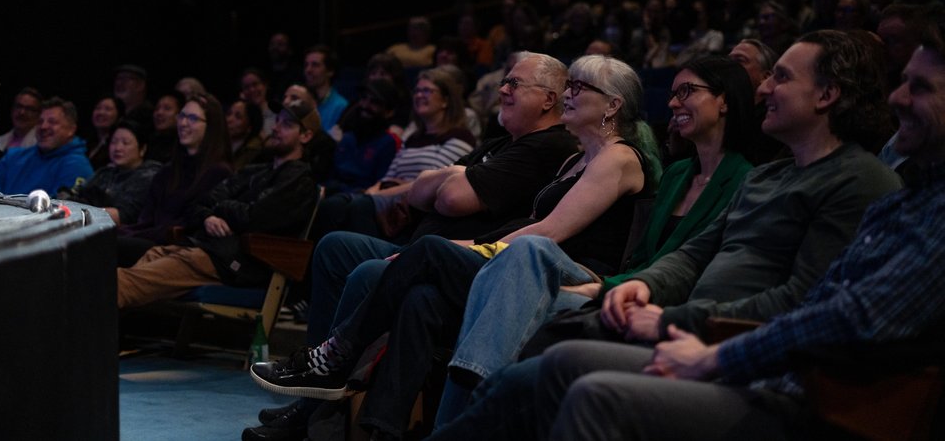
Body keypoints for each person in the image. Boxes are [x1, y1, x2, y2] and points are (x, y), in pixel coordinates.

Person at [426, 30, 904, 441]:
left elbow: (804, 299)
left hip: (733, 349)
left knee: (544, 355)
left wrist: (670, 314)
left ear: (826, 95)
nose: (762, 89)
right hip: (674, 318)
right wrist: (645, 285)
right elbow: (695, 255)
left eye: (781, 77)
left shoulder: (856, 180)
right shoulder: (769, 177)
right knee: (517, 344)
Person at [249, 55, 659, 441]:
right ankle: (381, 430)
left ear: (612, 105)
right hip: (527, 263)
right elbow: (526, 226)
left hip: (563, 277)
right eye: (567, 85)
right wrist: (464, 245)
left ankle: (333, 357)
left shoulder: (618, 157)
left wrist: (458, 249)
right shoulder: (577, 161)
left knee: (426, 250)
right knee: (422, 299)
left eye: (579, 86)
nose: (568, 93)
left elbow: (547, 233)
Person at [431, 56, 757, 427]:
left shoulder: (746, 182)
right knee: (488, 281)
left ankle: (467, 408)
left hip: (651, 302)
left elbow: (693, 268)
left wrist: (602, 288)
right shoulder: (678, 173)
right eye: (672, 93)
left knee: (527, 252)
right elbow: (644, 257)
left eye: (687, 91)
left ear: (725, 100)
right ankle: (465, 412)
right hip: (622, 287)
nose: (672, 103)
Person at [117, 101, 321, 307]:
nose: (275, 128)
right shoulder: (255, 172)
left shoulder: (299, 182)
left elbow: (254, 217)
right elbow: (199, 204)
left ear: (306, 136)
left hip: (237, 262)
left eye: (286, 125)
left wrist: (221, 208)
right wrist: (208, 217)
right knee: (149, 259)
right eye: (277, 122)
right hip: (210, 250)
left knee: (126, 282)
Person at [314, 67, 476, 242]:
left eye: (427, 90)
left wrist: (379, 194)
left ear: (445, 100)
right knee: (332, 205)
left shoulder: (460, 136)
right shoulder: (413, 138)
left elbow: (440, 181)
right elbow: (390, 175)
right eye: (418, 90)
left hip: (419, 205)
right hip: (393, 196)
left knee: (360, 206)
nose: (419, 95)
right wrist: (376, 189)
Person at [116, 94, 232, 266]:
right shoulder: (168, 171)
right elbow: (146, 220)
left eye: (192, 118)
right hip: (150, 239)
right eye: (182, 116)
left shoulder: (218, 173)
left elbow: (187, 226)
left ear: (211, 126)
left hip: (176, 248)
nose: (183, 123)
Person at [0, 96, 94, 197]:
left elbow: (61, 211)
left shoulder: (78, 166)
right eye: (40, 121)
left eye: (52, 122)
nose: (43, 127)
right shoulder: (14, 155)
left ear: (71, 130)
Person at [59, 119, 161, 226]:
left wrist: (77, 213)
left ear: (142, 149)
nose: (117, 148)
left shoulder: (148, 176)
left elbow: (123, 216)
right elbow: (76, 193)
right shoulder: (105, 173)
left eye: (125, 143)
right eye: (114, 142)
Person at [324, 79, 401, 194]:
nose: (365, 105)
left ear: (389, 112)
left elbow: (378, 187)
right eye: (364, 98)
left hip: (358, 201)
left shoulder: (388, 143)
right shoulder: (347, 137)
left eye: (374, 102)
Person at [0, 87, 43, 177]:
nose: (22, 112)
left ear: (39, 114)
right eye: (19, 106)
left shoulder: (41, 144)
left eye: (29, 109)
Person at [304, 44, 349, 135]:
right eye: (306, 65)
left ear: (330, 71)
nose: (308, 70)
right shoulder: (303, 102)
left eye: (315, 65)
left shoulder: (340, 106)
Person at [84, 94, 126, 169]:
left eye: (108, 109)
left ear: (119, 116)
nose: (101, 113)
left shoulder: (118, 145)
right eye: (98, 108)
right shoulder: (87, 142)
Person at [145, 90, 184, 163]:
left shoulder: (182, 145)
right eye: (157, 108)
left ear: (179, 115)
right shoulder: (148, 141)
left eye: (167, 108)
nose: (159, 113)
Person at [227, 98, 265, 171]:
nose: (229, 119)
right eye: (229, 114)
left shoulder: (253, 151)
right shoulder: (219, 141)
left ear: (250, 127)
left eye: (238, 117)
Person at [239, 67, 278, 140]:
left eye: (255, 84)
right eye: (246, 87)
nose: (252, 90)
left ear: (265, 85)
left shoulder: (277, 114)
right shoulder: (241, 119)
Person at [113, 64, 154, 129]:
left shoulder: (149, 117)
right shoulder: (116, 117)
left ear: (141, 85)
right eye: (118, 79)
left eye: (125, 79)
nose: (119, 83)